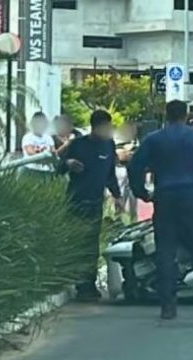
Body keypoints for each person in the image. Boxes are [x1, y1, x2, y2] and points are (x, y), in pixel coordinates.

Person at [128, 100, 193, 320]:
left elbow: (134, 166)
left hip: (164, 199)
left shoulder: (153, 140)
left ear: (166, 115)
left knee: (166, 252)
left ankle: (168, 307)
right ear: (185, 115)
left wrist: (143, 193)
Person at [58, 110, 124, 301]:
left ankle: (89, 284)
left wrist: (117, 196)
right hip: (76, 200)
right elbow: (59, 166)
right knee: (78, 243)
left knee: (92, 245)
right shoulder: (78, 144)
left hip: (96, 201)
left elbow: (110, 174)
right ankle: (80, 284)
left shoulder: (108, 145)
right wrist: (69, 163)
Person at [21, 112, 56, 179]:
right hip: (31, 171)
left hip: (47, 171)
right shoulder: (28, 137)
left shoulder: (48, 138)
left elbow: (53, 152)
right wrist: (44, 159)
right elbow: (30, 152)